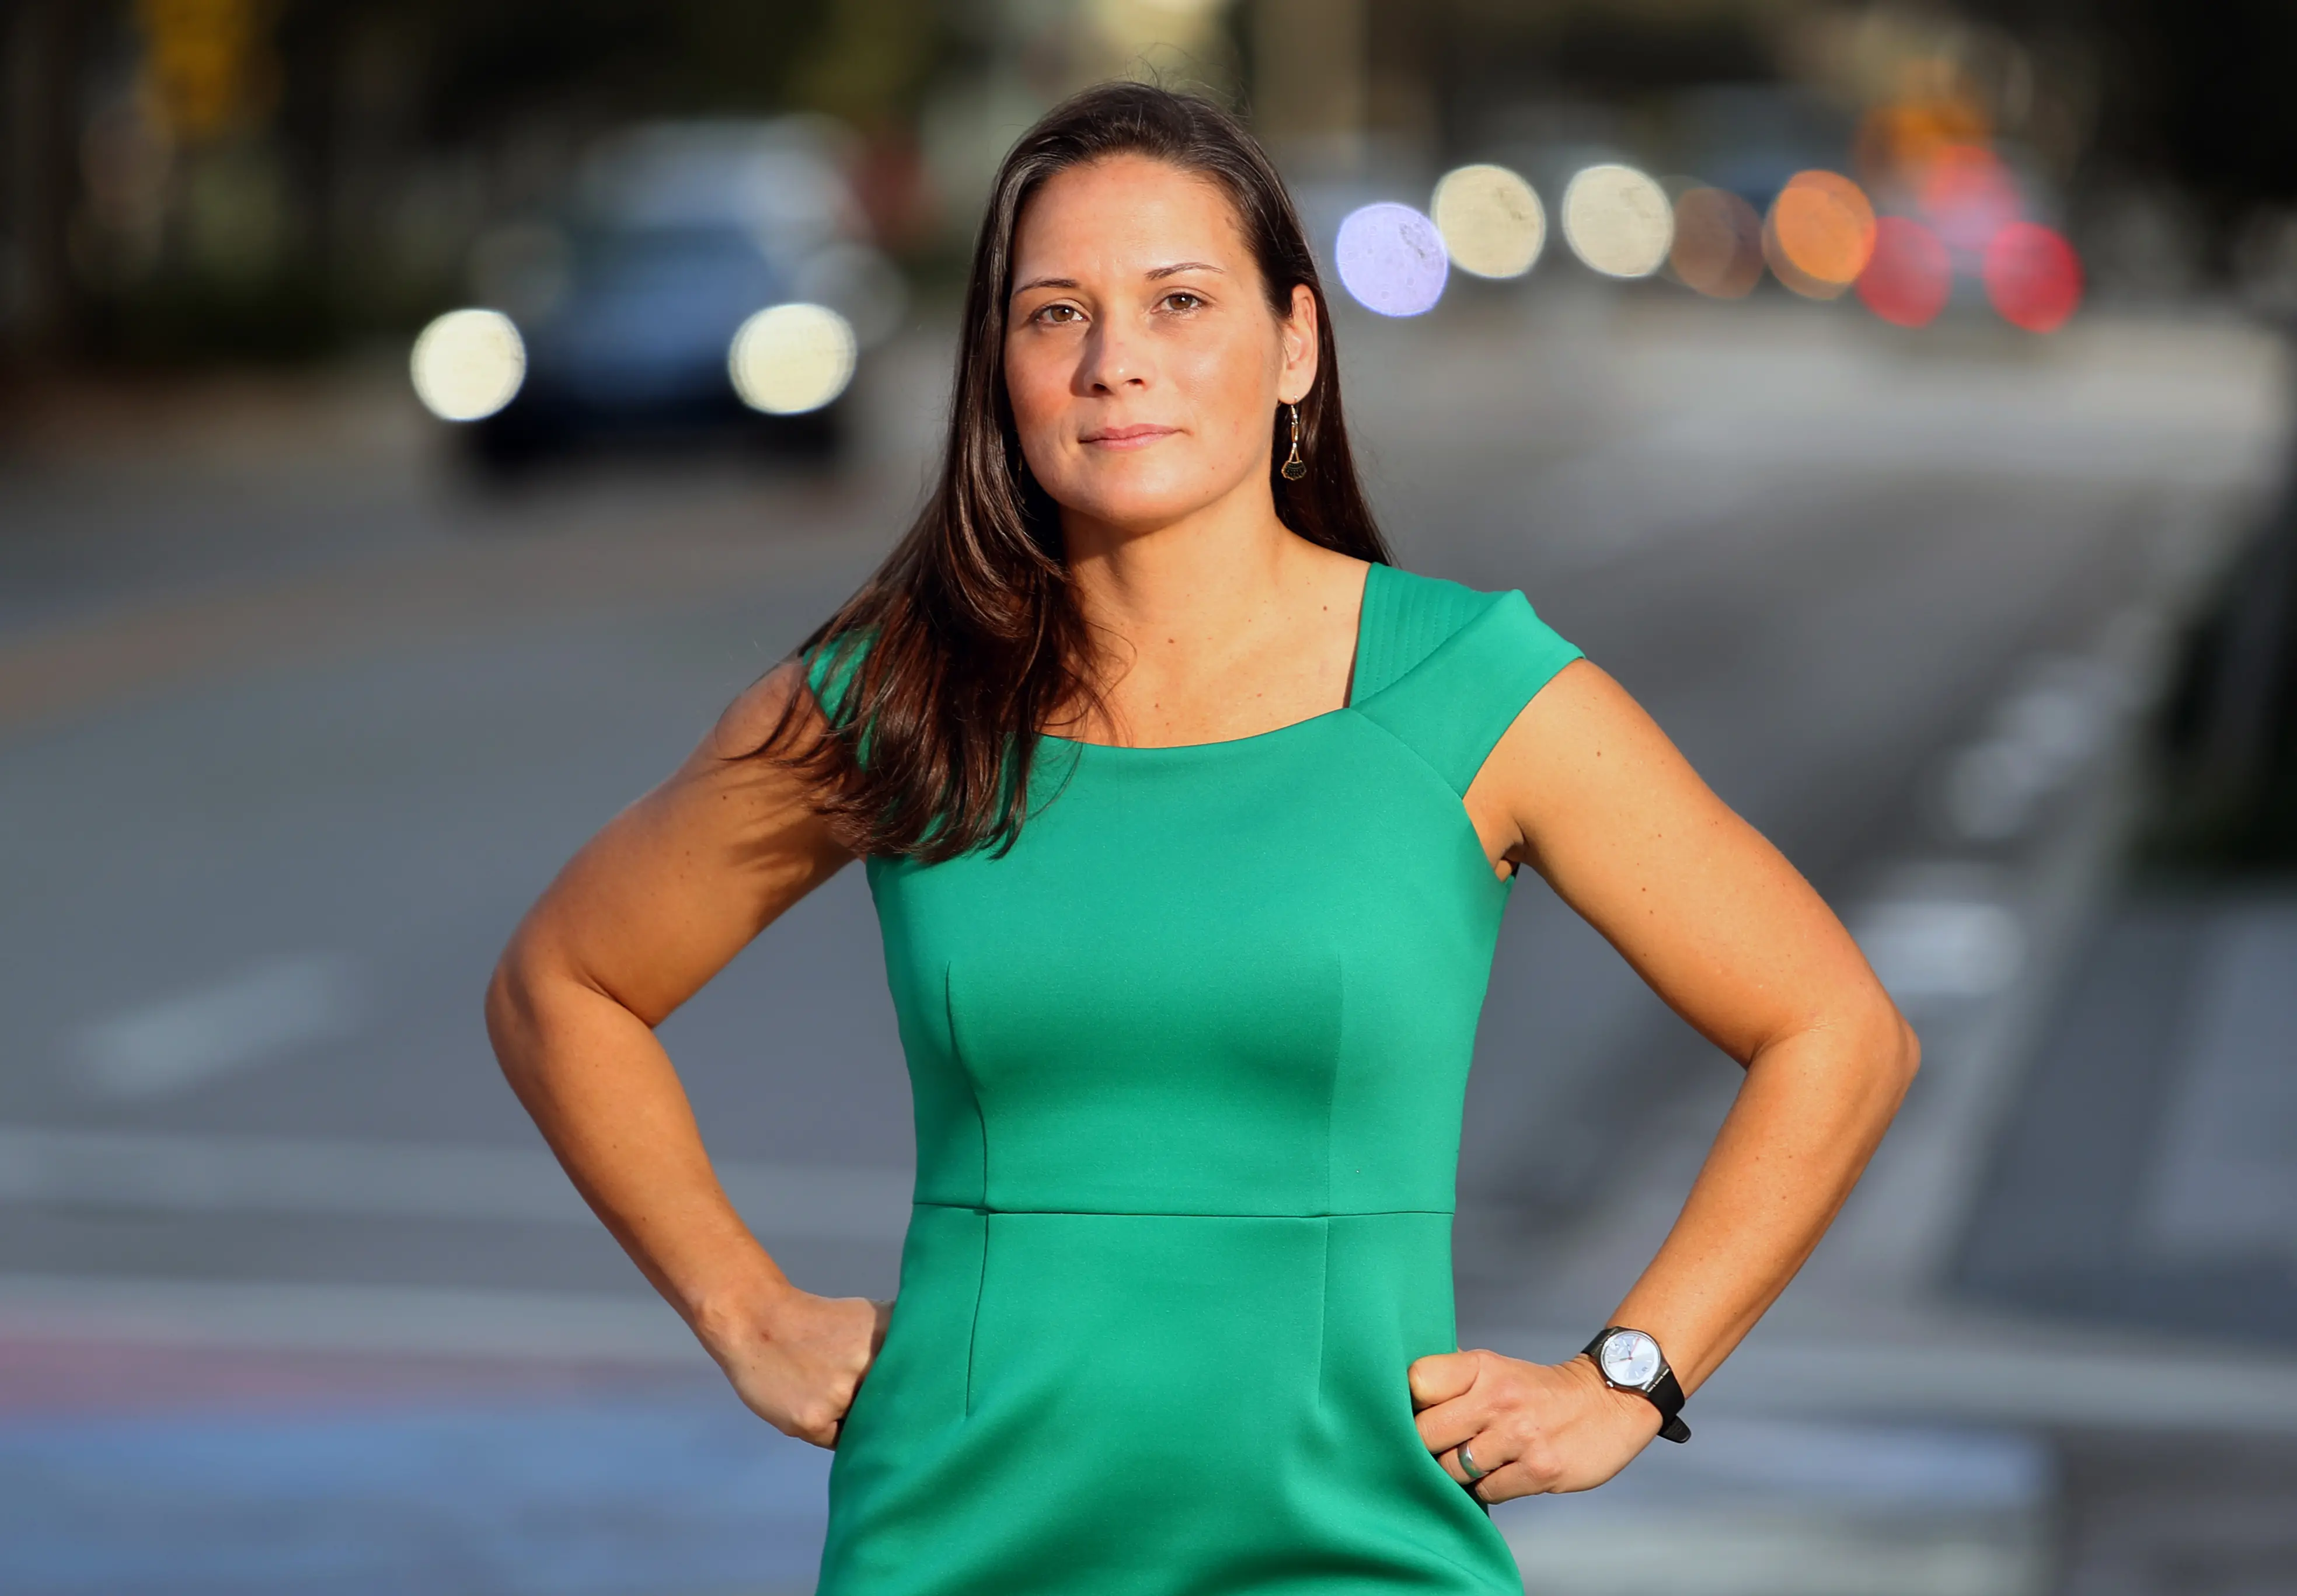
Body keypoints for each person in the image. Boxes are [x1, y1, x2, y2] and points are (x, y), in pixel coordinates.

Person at [486, 82, 1918, 1595]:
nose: (1117, 365)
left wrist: (1630, 1371)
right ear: (1000, 368)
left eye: (1178, 302)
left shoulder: (1471, 691)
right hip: (953, 1545)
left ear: (1295, 342)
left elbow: (1834, 1029)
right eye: (1055, 316)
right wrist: (744, 1308)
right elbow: (563, 985)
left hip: (1354, 1548)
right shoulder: (900, 695)